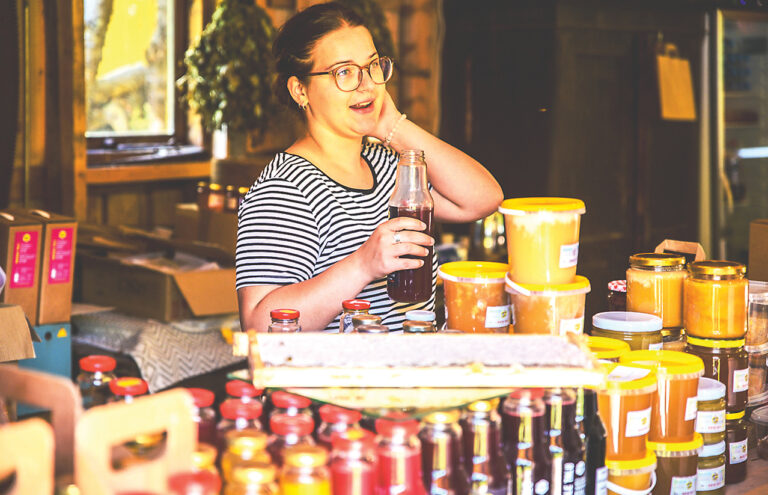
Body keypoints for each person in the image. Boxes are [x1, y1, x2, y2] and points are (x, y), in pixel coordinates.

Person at [236, 2, 503, 332]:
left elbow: (483, 199)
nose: (366, 85)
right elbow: (259, 327)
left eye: (372, 66)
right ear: (300, 90)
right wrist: (363, 265)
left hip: (413, 363)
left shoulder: (389, 166)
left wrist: (392, 125)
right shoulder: (283, 190)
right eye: (344, 72)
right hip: (340, 369)